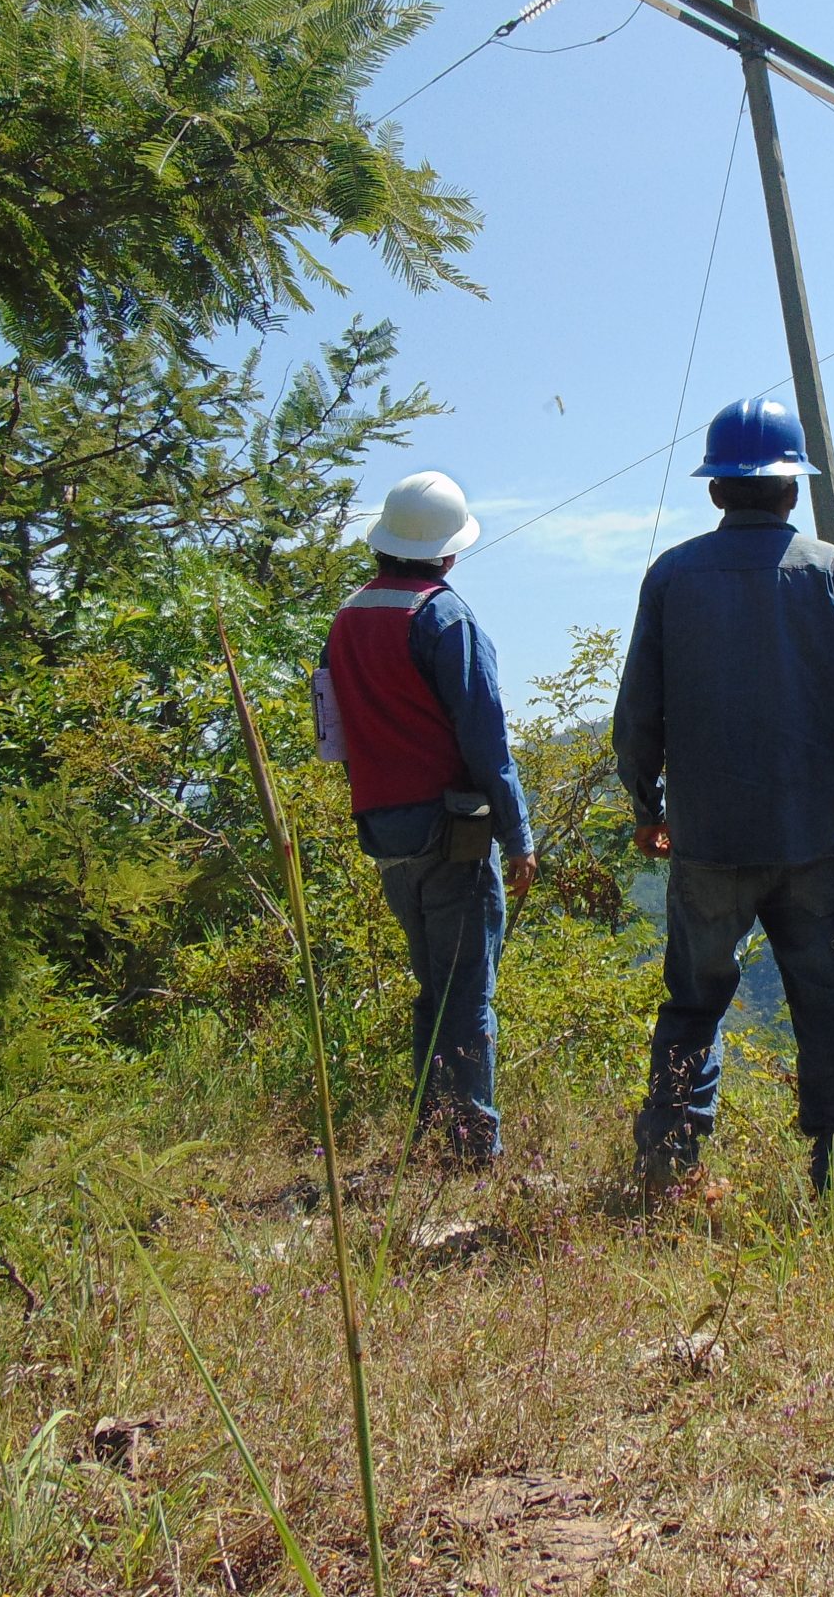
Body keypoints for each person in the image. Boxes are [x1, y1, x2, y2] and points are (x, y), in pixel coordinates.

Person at [612, 397, 834, 1198]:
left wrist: (648, 810)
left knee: (693, 1006)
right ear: (793, 488)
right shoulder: (828, 572)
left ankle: (668, 1169)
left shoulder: (672, 576)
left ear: (716, 489)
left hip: (707, 845)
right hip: (808, 845)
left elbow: (637, 717)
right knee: (829, 1011)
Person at [320, 470, 536, 1163]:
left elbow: (332, 734)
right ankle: (471, 1149)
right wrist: (519, 836)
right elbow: (486, 741)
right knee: (467, 993)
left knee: (434, 989)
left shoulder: (345, 620)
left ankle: (429, 1135)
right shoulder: (445, 618)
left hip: (386, 833)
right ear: (448, 551)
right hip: (453, 834)